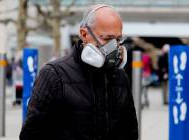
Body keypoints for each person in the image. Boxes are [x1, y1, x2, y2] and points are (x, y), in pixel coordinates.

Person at [20, 4, 138, 140]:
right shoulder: (54, 75)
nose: (114, 47)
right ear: (84, 34)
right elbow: (31, 134)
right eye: (107, 39)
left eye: (117, 39)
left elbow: (130, 132)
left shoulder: (120, 77)